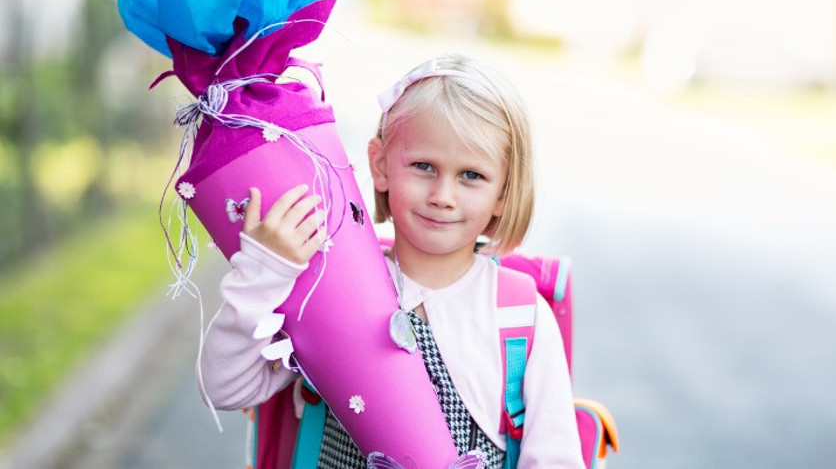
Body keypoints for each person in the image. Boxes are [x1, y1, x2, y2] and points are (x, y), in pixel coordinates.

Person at [200, 54, 583, 467]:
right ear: (380, 165)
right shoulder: (328, 286)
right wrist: (263, 275)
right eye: (423, 166)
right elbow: (224, 389)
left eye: (471, 175)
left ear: (504, 194)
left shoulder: (520, 317)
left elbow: (554, 458)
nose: (443, 195)